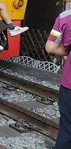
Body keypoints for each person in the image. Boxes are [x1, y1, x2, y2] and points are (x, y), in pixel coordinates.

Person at [45, 9, 71, 149]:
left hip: (70, 84)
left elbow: (50, 47)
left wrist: (67, 50)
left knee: (67, 132)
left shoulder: (65, 16)